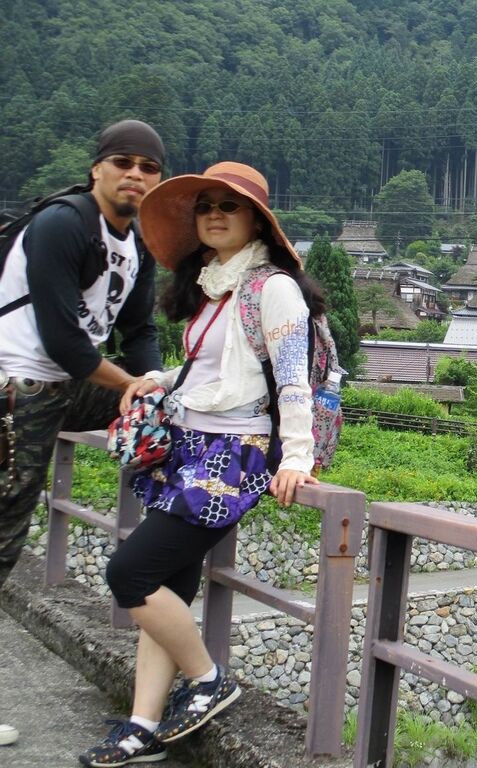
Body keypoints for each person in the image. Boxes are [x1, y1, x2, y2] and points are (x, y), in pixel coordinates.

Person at [79, 162, 323, 767]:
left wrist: (297, 456)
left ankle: (209, 680)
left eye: (228, 205)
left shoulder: (273, 288)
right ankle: (143, 726)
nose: (214, 214)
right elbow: (209, 372)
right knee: (166, 589)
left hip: (233, 456)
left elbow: (292, 377)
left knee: (130, 575)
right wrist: (155, 379)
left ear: (257, 221)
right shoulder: (215, 286)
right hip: (189, 446)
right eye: (205, 205)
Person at [0, 120, 165, 750]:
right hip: (19, 389)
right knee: (3, 538)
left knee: (174, 411)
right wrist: (131, 385)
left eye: (148, 168)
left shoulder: (137, 245)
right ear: (97, 168)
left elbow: (140, 330)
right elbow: (64, 341)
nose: (135, 175)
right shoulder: (63, 224)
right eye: (123, 162)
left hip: (65, 387)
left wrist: (153, 386)